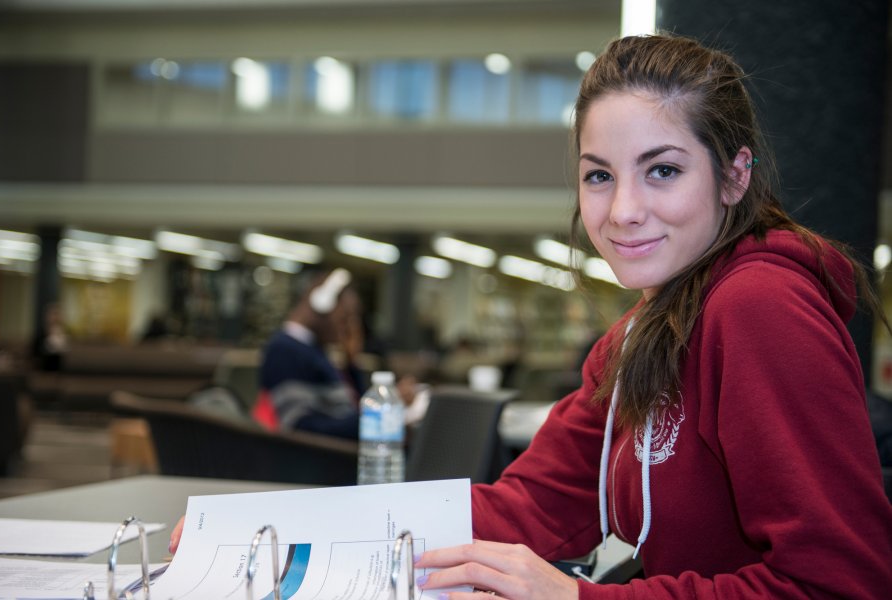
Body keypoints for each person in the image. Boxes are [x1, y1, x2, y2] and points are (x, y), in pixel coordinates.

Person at [170, 34, 892, 598]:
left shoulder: (760, 309)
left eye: (662, 170)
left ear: (734, 174)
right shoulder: (642, 335)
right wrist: (253, 532)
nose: (622, 211)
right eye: (598, 175)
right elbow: (527, 508)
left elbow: (838, 583)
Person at [251, 268, 367, 439]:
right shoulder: (285, 351)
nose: (348, 330)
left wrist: (351, 362)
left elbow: (348, 408)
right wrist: (374, 419)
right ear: (322, 304)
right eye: (344, 320)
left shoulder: (313, 350)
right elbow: (300, 429)